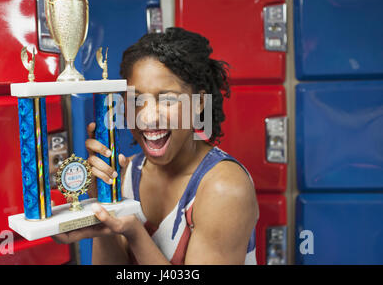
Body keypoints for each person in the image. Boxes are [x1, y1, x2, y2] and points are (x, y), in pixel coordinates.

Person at [53, 27, 259, 265]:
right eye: (136, 100)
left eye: (167, 99)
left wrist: (134, 232)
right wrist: (103, 211)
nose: (148, 117)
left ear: (199, 103)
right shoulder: (126, 173)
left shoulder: (225, 188)